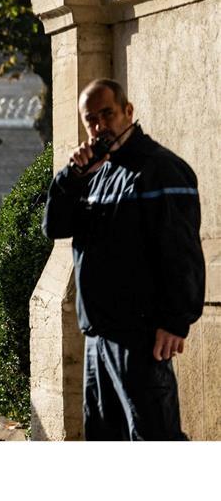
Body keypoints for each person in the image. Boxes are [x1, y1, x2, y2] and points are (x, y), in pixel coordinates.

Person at [43, 78, 204, 440]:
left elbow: (182, 252)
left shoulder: (162, 169)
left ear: (128, 112)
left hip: (141, 336)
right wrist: (70, 178)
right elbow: (54, 227)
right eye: (92, 120)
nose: (101, 126)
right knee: (104, 439)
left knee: (153, 438)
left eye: (107, 114)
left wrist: (176, 320)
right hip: (98, 335)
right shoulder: (97, 175)